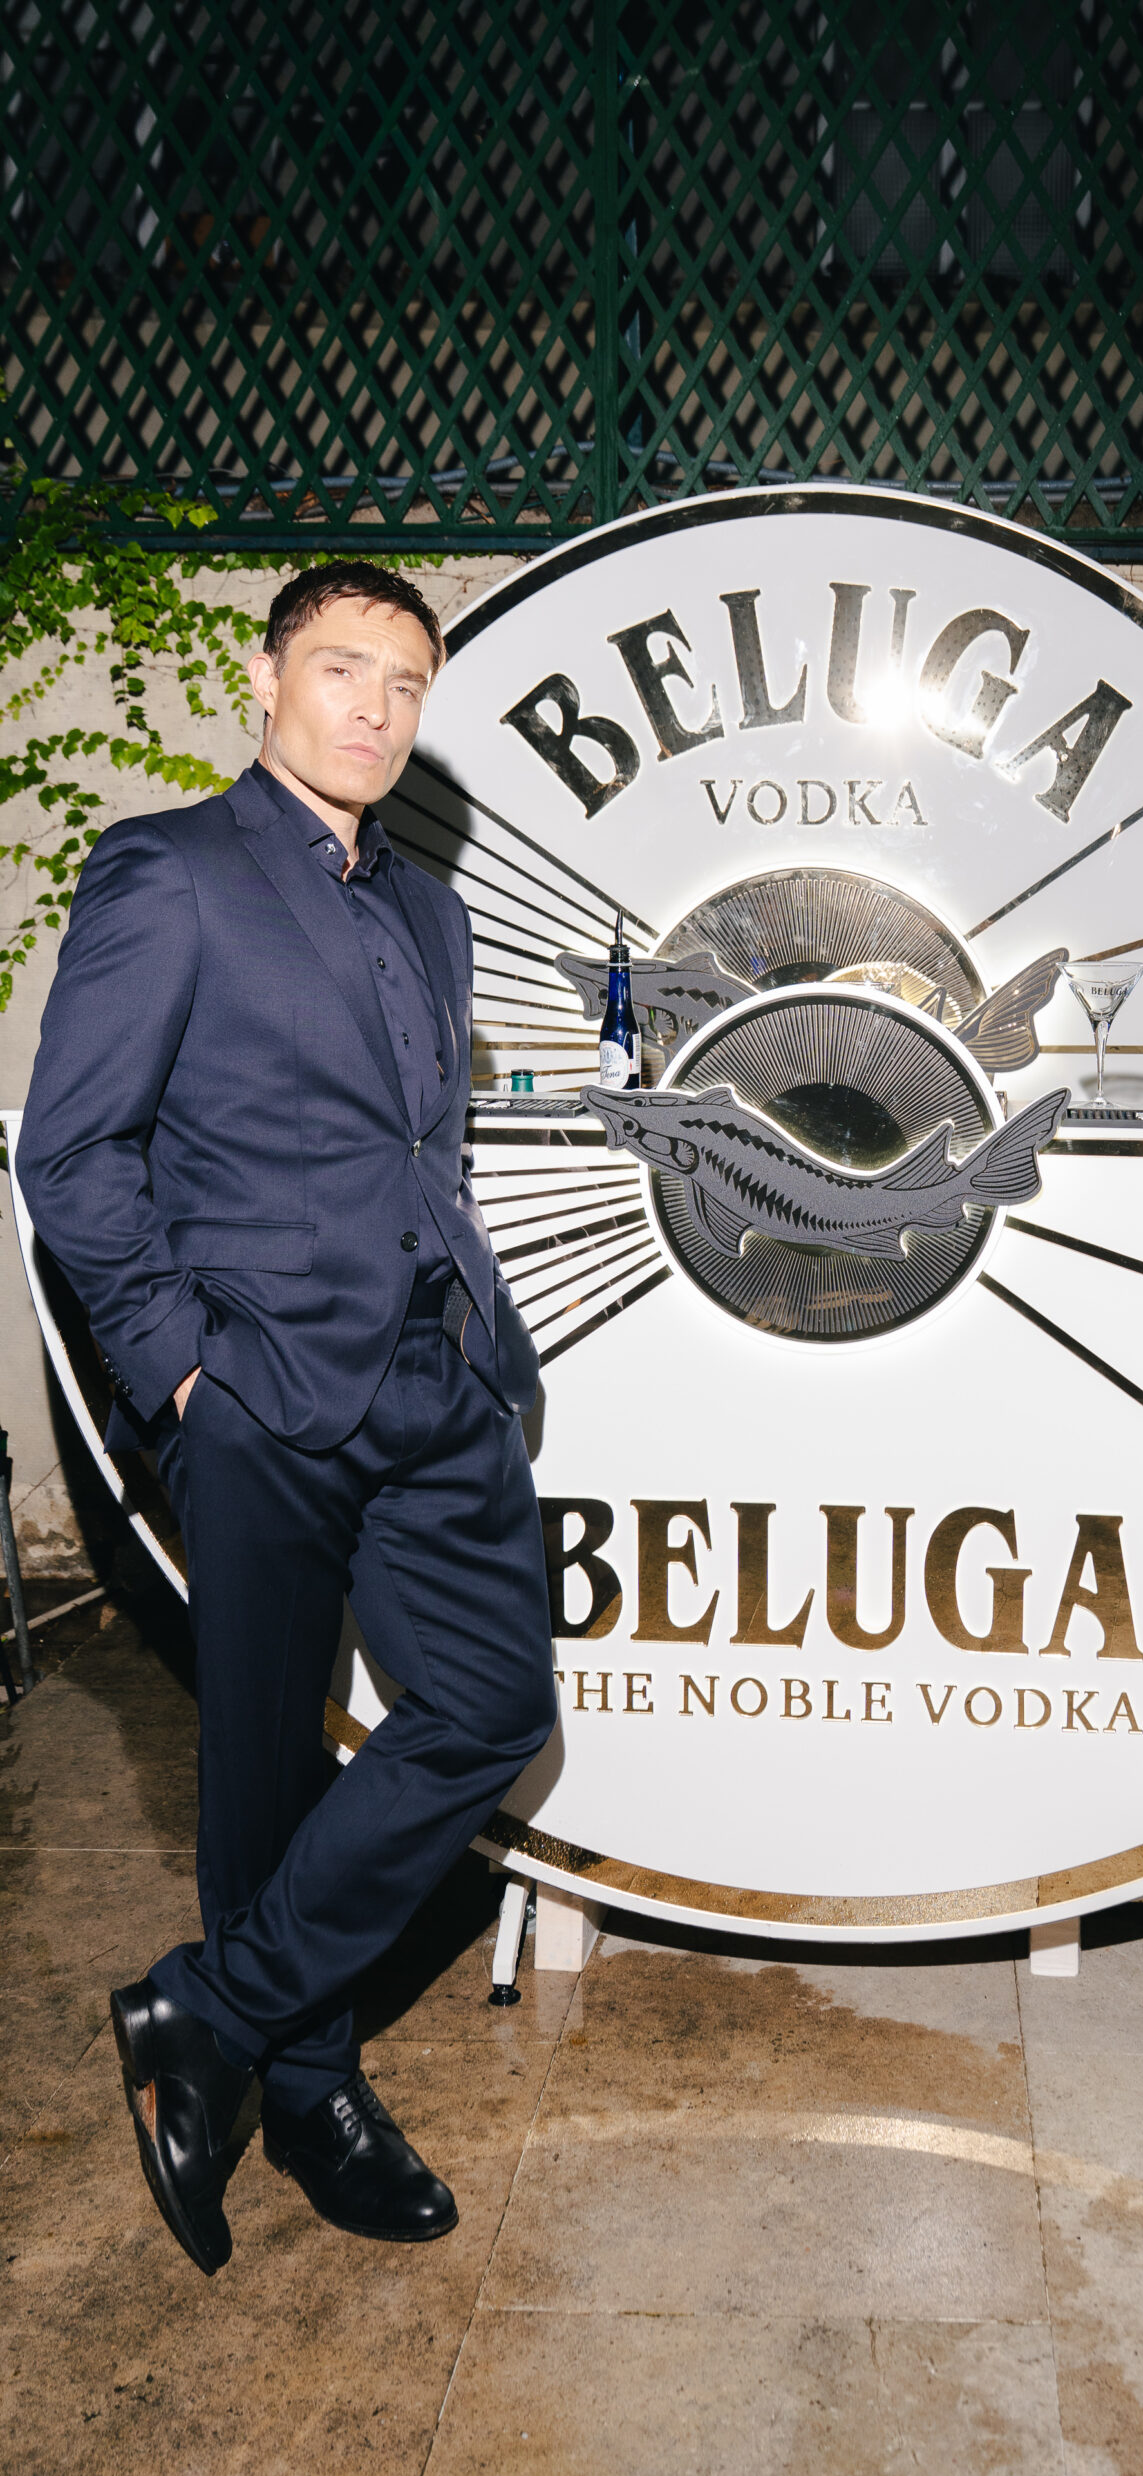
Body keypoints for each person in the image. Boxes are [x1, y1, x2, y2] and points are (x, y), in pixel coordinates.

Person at [18, 563, 557, 2274]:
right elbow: (70, 1154)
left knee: (487, 1707)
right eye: (341, 670)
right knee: (262, 1758)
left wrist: (476, 1335)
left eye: (405, 684)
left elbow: (417, 1149)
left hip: (430, 1382)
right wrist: (182, 1368)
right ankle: (312, 2087)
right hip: (257, 1392)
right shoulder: (170, 872)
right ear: (267, 679)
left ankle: (212, 2010)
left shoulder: (428, 911)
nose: (375, 710)